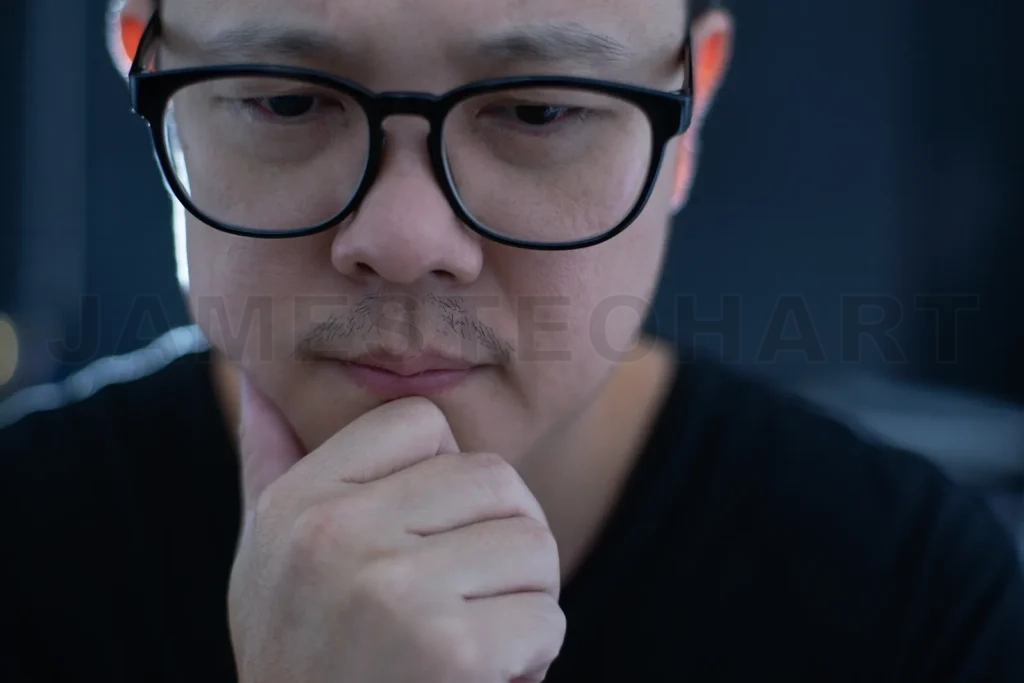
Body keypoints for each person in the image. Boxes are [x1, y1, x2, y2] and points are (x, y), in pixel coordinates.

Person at [1, 0, 1022, 680]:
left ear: (687, 119)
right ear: (147, 75)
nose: (404, 240)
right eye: (285, 99)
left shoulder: (915, 604)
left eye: (536, 110)